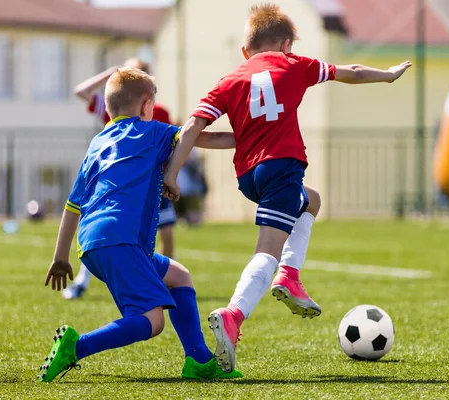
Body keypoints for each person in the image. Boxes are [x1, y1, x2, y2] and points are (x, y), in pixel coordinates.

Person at [163, 4, 412, 372]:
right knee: (267, 251)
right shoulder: (293, 65)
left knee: (311, 200)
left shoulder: (228, 80)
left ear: (246, 50)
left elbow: (192, 129)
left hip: (249, 178)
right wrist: (388, 76)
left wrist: (172, 172)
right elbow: (353, 72)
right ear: (284, 44)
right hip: (282, 167)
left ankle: (290, 277)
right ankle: (234, 314)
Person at [38, 67, 241, 382]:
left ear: (107, 108)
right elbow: (197, 136)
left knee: (179, 276)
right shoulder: (152, 131)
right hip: (122, 240)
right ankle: (75, 347)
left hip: (92, 243)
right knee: (151, 321)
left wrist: (60, 257)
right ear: (148, 104)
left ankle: (199, 360)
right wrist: (249, 137)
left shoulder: (97, 143)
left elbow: (72, 204)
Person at [63, 58, 176, 300]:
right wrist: (110, 76)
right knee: (107, 231)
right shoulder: (113, 106)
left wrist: (171, 174)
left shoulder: (159, 114)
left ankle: (162, 283)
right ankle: (82, 282)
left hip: (153, 182)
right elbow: (80, 91)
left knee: (165, 234)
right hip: (117, 186)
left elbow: (179, 141)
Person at [175, 148, 208, 226]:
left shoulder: (193, 148)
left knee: (194, 219)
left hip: (191, 189)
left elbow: (198, 167)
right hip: (174, 187)